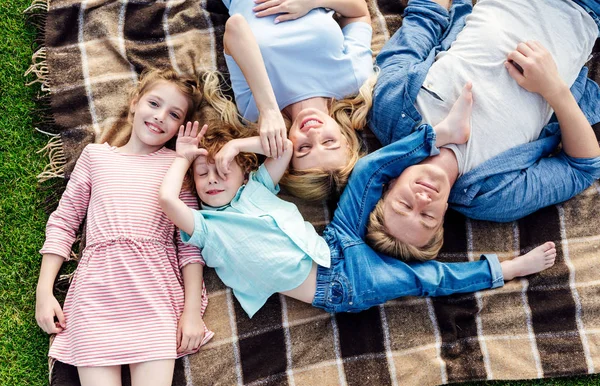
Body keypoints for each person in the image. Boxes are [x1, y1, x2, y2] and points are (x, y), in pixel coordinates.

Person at [158, 100, 556, 318]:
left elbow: (278, 149)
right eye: (202, 175)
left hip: (333, 243)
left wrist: (235, 148)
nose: (211, 178)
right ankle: (505, 269)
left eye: (220, 171)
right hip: (344, 285)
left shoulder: (256, 188)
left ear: (241, 176)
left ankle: (440, 136)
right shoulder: (205, 227)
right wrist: (182, 159)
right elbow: (167, 200)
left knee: (366, 169)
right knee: (427, 278)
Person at [364, 0, 600, 261]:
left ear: (389, 186)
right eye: (427, 217)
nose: (422, 200)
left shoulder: (390, 111)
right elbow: (582, 167)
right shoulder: (495, 197)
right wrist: (554, 90)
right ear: (442, 215)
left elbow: (424, 18)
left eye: (404, 205)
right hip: (583, 10)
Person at [35, 69, 214, 386]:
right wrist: (44, 292)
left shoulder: (177, 167)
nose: (160, 117)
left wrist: (191, 311)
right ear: (134, 103)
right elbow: (64, 221)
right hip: (95, 299)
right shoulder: (96, 157)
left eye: (174, 114)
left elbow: (190, 243)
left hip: (155, 299)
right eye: (154, 103)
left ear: (180, 126)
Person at [213, 0, 375, 201]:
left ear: (287, 152)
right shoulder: (355, 78)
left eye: (304, 148)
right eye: (329, 141)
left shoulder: (256, 111)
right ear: (346, 141)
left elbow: (235, 26)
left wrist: (269, 109)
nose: (313, 133)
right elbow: (358, 13)